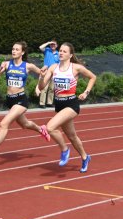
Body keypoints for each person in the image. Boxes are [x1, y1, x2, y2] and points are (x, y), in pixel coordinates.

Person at [0, 41, 50, 159]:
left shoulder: (28, 66)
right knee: (25, 124)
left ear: (22, 52)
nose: (14, 51)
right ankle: (41, 129)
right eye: (13, 49)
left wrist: (41, 81)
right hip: (10, 100)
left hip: (21, 100)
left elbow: (43, 75)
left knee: (4, 123)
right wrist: (0, 69)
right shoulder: (7, 64)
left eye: (17, 49)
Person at [37, 42, 96, 173]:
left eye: (64, 51)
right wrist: (41, 76)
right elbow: (41, 87)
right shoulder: (53, 68)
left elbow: (93, 77)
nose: (61, 53)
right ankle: (85, 157)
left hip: (71, 104)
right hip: (59, 104)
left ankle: (64, 149)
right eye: (60, 51)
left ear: (70, 55)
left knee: (50, 127)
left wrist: (86, 92)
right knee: (72, 136)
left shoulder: (76, 68)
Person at [38, 40, 59, 108]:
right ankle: (42, 103)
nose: (52, 45)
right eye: (51, 44)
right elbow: (40, 47)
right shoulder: (47, 50)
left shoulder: (58, 54)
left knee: (52, 88)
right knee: (44, 87)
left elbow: (59, 63)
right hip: (46, 71)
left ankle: (49, 102)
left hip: (54, 72)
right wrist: (48, 43)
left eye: (54, 44)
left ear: (57, 45)